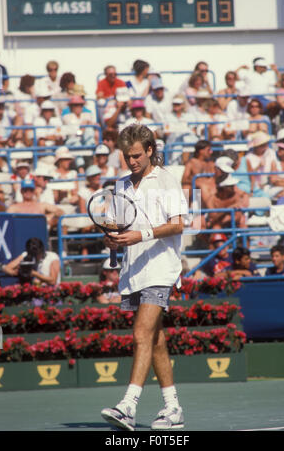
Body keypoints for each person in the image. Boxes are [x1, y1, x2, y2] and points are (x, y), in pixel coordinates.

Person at [101, 124, 187, 431]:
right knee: (156, 339)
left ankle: (128, 405)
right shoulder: (121, 185)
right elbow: (116, 227)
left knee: (141, 332)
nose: (132, 161)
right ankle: (173, 408)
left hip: (161, 269)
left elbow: (178, 224)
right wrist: (113, 239)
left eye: (137, 155)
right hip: (133, 271)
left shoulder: (167, 180)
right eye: (127, 156)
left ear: (150, 150)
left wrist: (141, 235)